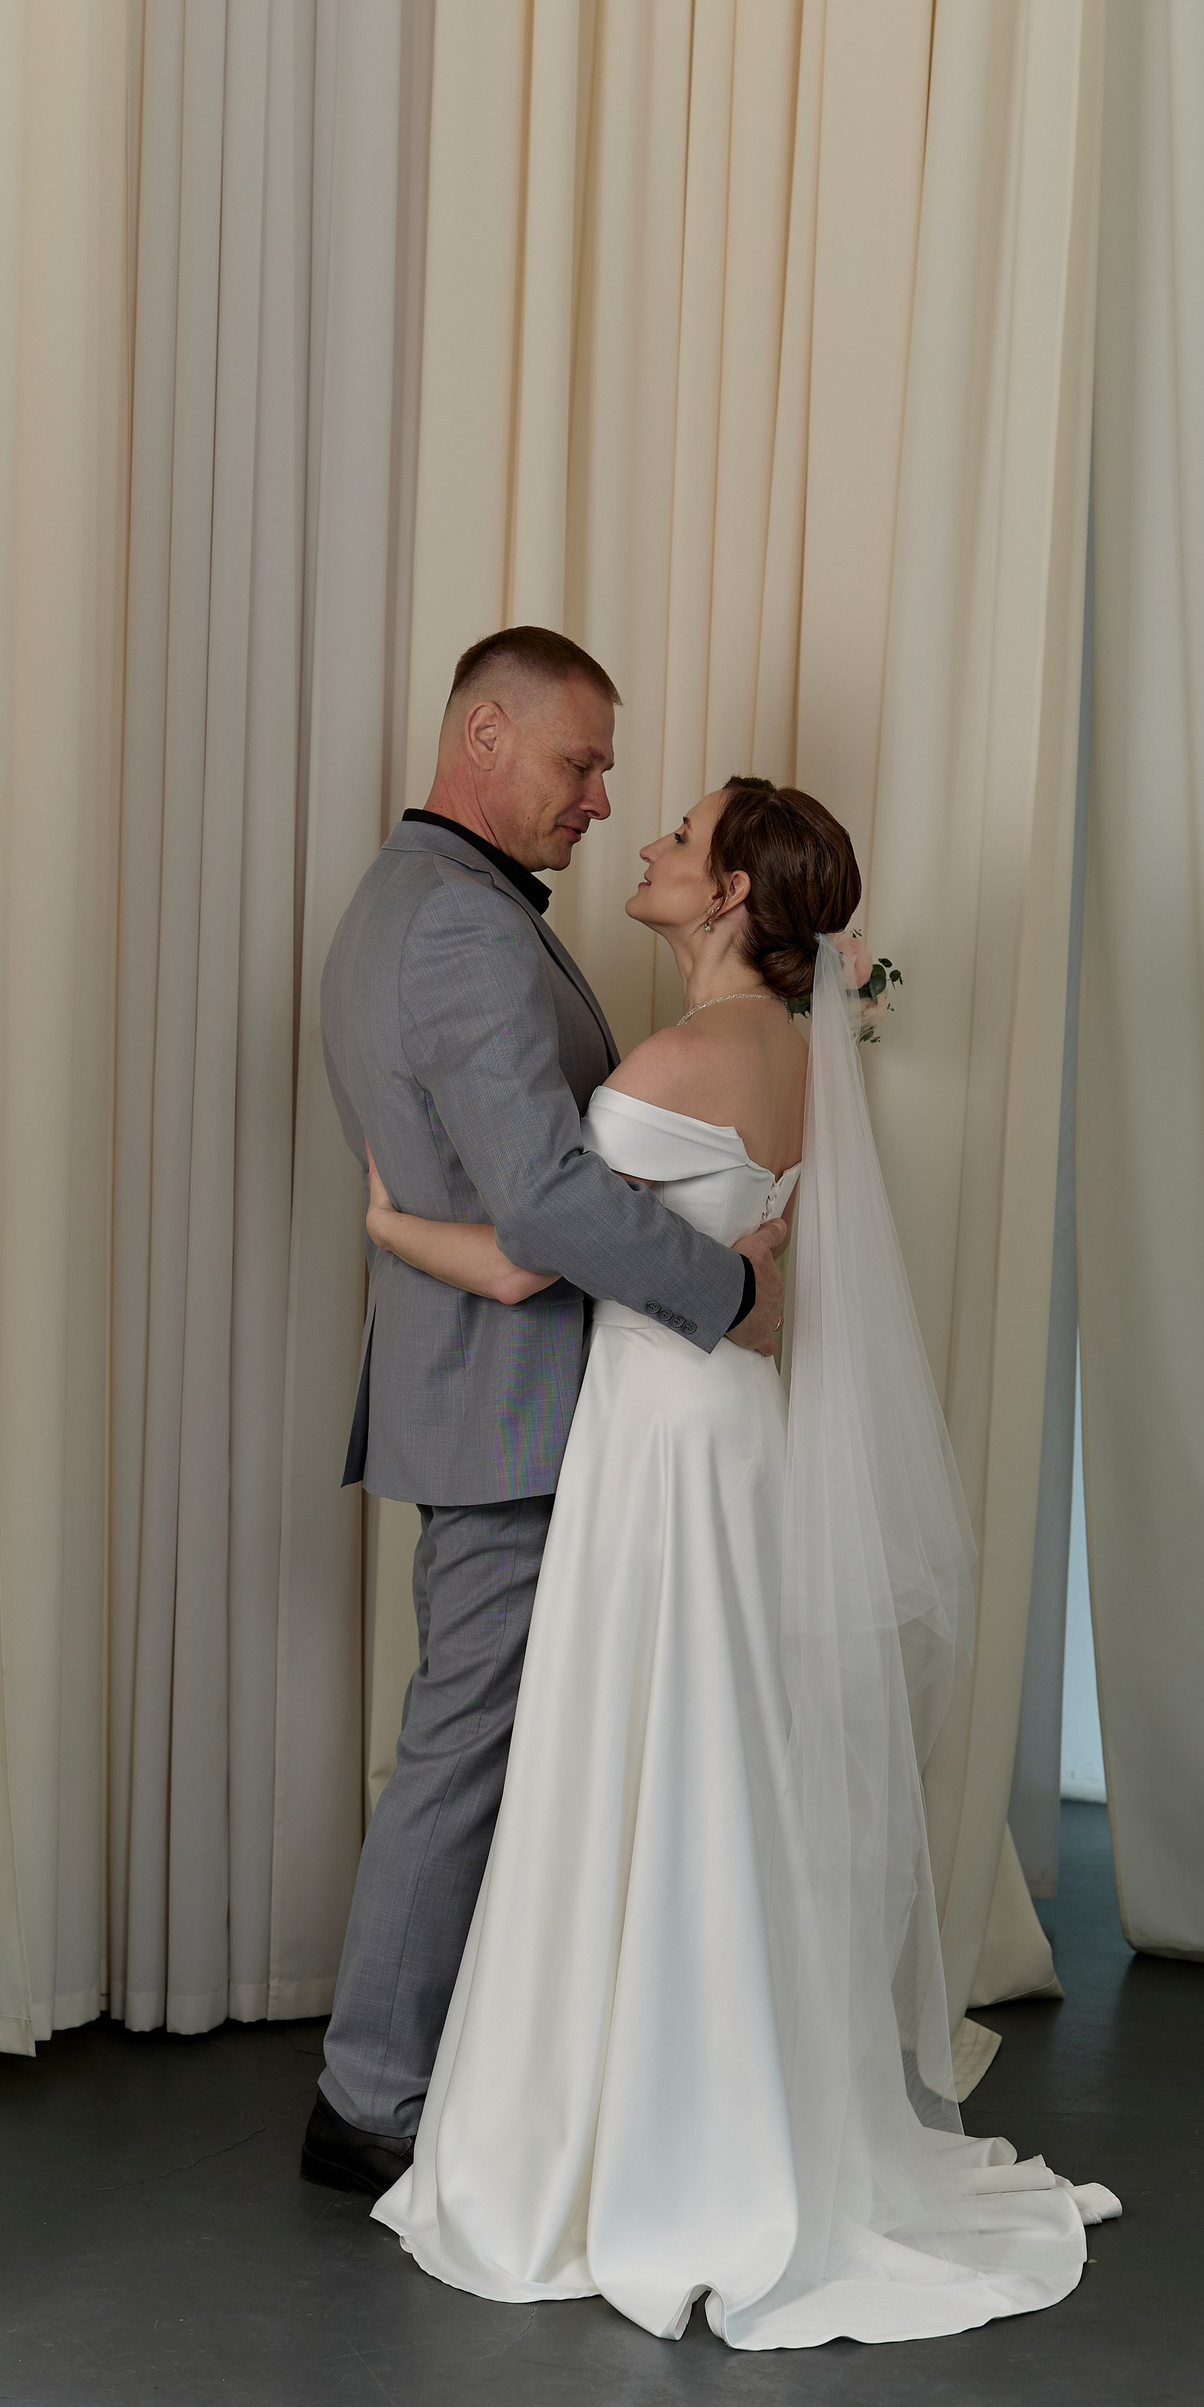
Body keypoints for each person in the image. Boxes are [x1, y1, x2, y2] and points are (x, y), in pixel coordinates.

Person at [359, 772, 1120, 2348]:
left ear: (725, 896)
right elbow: (731, 1263)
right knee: (711, 1757)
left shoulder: (677, 1060)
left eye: (681, 836)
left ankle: (636, 2124)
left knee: (639, 1752)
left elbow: (535, 1251)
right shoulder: (781, 1053)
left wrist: (392, 1226)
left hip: (658, 1443)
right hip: (728, 1435)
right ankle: (721, 2089)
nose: (644, 838)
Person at [302, 629, 788, 2202]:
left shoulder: (433, 902)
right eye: (580, 763)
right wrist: (728, 1289)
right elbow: (547, 1202)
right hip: (507, 1406)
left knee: (493, 1746)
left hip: (505, 1394)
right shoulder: (458, 923)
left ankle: (468, 2071)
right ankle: (370, 2099)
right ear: (488, 735)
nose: (600, 799)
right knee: (463, 1751)